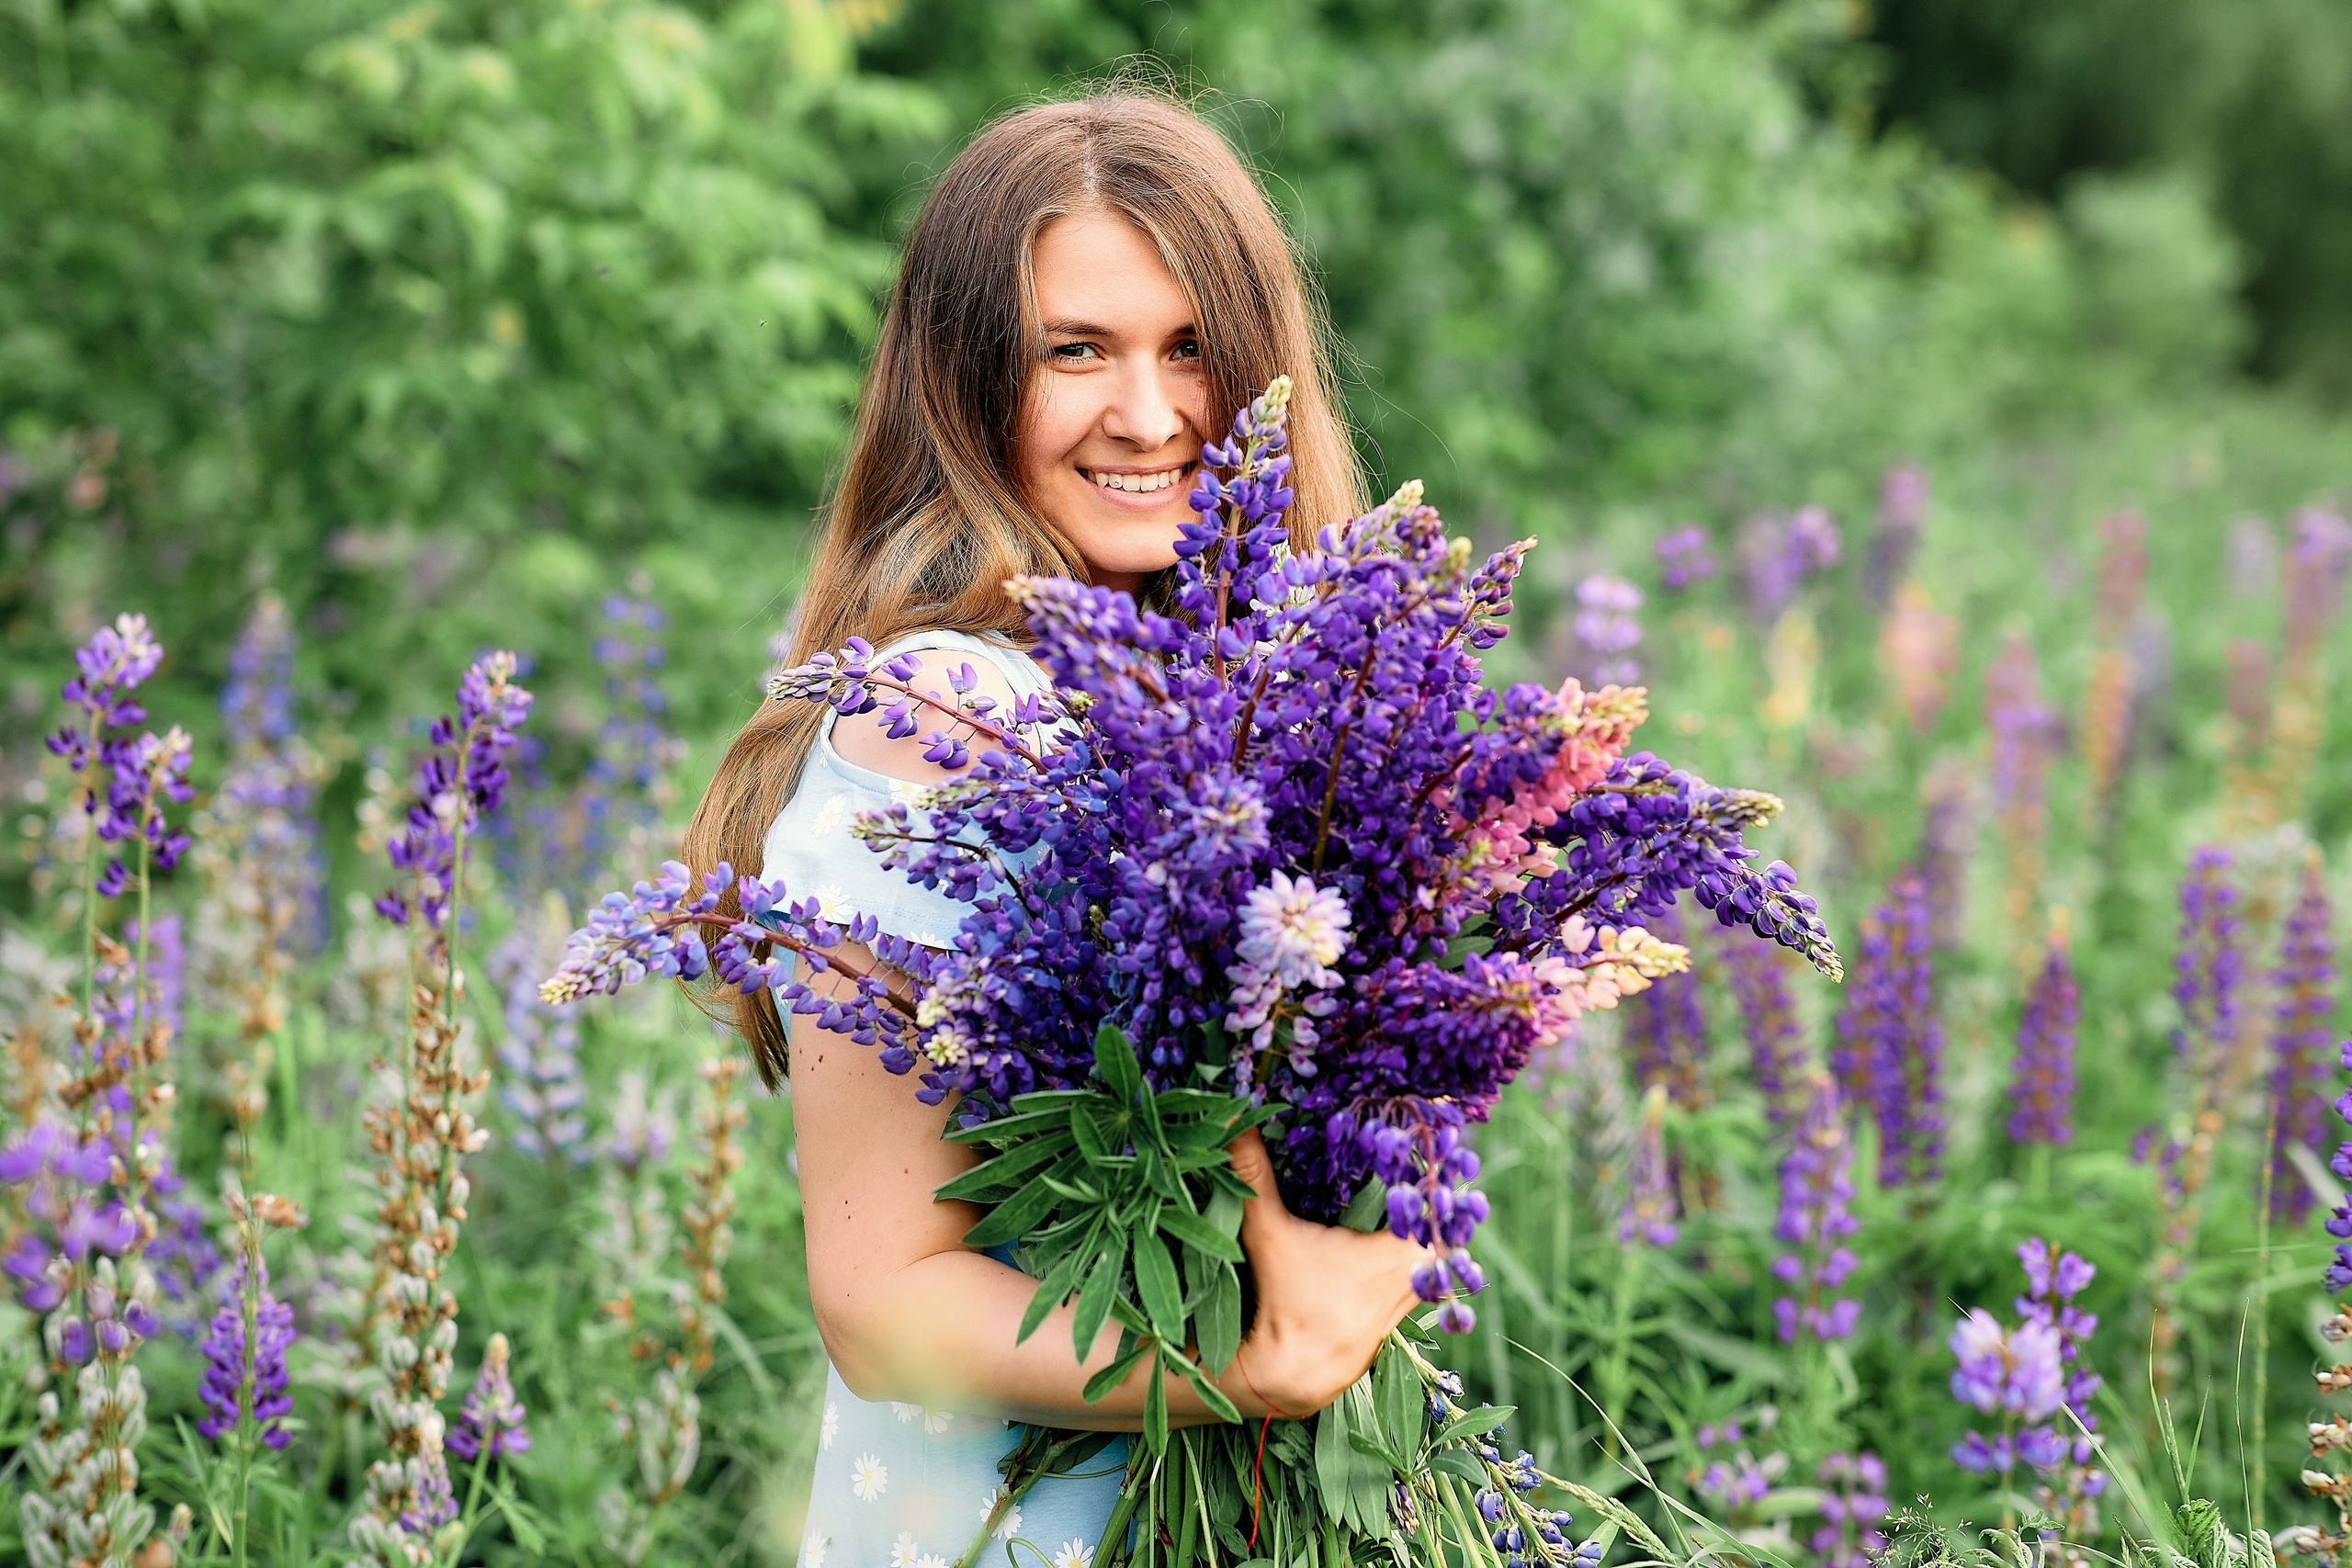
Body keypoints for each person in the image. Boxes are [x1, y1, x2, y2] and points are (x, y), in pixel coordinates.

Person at [683, 88, 1430, 1568]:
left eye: (1193, 346)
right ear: (964, 385)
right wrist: (1244, 1368)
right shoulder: (949, 709)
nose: (1149, 415)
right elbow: (881, 1306)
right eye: (1073, 350)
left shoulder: (1267, 698)